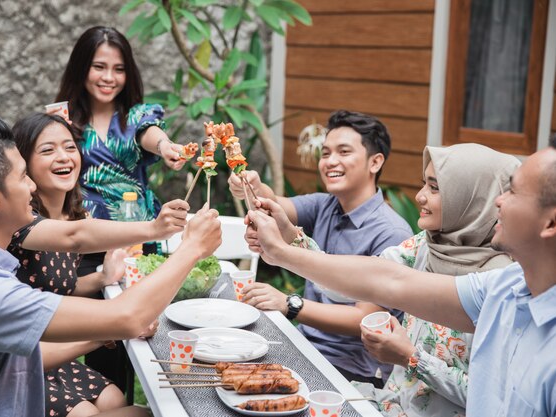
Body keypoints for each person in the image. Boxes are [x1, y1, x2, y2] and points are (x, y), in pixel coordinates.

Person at [0, 115, 221, 417]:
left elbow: (77, 234)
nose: (31, 186)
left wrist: (155, 229)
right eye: (21, 176)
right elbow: (127, 317)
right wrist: (191, 249)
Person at [245, 136, 556, 417]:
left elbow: (485, 393)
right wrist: (289, 241)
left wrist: (411, 358)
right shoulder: (452, 258)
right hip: (388, 405)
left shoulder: (504, 279)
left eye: (435, 188)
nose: (500, 200)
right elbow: (374, 282)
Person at [8, 112, 177, 416]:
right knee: (92, 412)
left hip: (55, 356)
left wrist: (100, 279)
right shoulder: (24, 222)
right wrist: (155, 228)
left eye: (70, 147)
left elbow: (58, 290)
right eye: (47, 150)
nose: (64, 157)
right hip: (20, 361)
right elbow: (76, 238)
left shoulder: (75, 213)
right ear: (24, 165)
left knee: (115, 399)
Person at [230, 110, 413, 385]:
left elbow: (367, 317)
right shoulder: (326, 204)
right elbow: (274, 205)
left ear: (375, 162)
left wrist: (289, 304)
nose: (330, 162)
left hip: (352, 372)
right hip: (302, 345)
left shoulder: (391, 232)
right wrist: (252, 187)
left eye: (344, 152)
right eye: (326, 153)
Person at [49, 25, 186, 388]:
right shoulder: (63, 120)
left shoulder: (136, 115)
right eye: (99, 66)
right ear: (81, 68)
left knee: (157, 330)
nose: (110, 77)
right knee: (105, 340)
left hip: (141, 236)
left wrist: (167, 147)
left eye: (119, 68)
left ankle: (176, 399)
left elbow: (150, 134)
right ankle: (113, 402)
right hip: (88, 238)